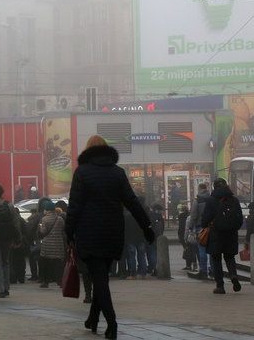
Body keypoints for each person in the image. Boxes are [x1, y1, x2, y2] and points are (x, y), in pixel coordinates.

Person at [65, 135, 153, 339]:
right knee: (101, 276)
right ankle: (92, 318)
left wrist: (69, 232)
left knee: (99, 279)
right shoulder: (118, 173)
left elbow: (74, 206)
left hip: (89, 233)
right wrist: (146, 226)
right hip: (113, 232)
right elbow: (132, 202)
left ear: (88, 151)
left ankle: (112, 323)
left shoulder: (82, 173)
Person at [201, 178, 244, 295]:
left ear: (215, 187)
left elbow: (204, 220)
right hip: (231, 234)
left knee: (216, 260)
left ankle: (220, 286)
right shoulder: (234, 200)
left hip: (216, 234)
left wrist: (206, 225)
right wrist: (233, 228)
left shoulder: (211, 200)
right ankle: (233, 275)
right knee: (230, 257)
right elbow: (240, 219)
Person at [38, 197, 65, 288]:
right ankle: (60, 281)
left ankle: (45, 282)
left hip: (47, 246)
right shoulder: (60, 219)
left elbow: (43, 232)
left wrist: (40, 227)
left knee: (46, 263)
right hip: (58, 245)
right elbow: (62, 230)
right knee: (58, 264)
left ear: (46, 210)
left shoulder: (44, 219)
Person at [188, 183, 211, 279]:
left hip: (200, 227)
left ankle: (203, 270)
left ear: (199, 189)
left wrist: (190, 227)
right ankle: (213, 270)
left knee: (202, 250)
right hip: (211, 227)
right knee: (212, 250)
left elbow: (193, 216)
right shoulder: (211, 198)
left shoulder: (197, 200)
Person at [146, 204, 165, 276]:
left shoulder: (150, 215)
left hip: (151, 237)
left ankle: (153, 268)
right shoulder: (159, 217)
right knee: (156, 253)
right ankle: (156, 268)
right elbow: (162, 227)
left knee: (151, 253)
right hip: (158, 237)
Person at [177, 205, 194, 271]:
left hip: (184, 235)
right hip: (191, 235)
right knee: (192, 250)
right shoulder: (190, 216)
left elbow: (181, 228)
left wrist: (181, 237)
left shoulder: (181, 217)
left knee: (187, 250)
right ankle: (194, 264)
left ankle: (188, 265)